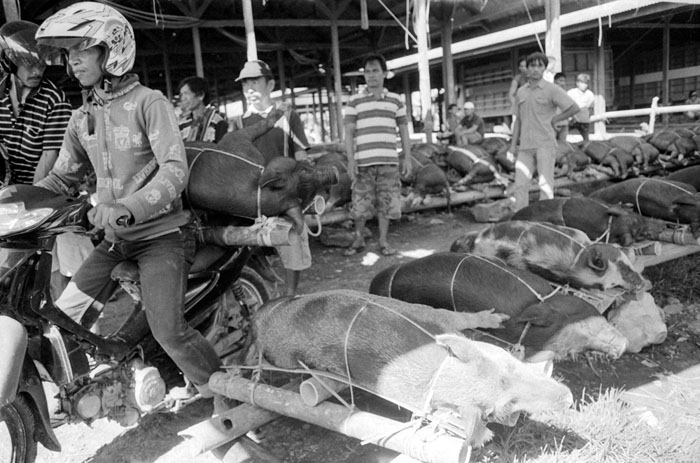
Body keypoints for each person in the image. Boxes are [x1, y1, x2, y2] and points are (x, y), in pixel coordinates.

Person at [35, 2, 220, 399]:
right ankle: (117, 376)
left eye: (82, 48)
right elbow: (61, 175)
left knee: (169, 330)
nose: (73, 60)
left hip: (162, 236)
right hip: (116, 241)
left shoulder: (149, 103)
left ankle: (222, 387)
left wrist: (126, 208)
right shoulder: (81, 117)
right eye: (69, 52)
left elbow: (175, 170)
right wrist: (20, 204)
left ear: (111, 50)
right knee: (64, 317)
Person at [233, 60, 310, 296]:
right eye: (246, 85)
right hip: (252, 194)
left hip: (283, 193)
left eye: (255, 83)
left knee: (293, 238)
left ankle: (290, 295)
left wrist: (302, 187)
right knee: (242, 245)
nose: (250, 90)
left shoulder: (287, 116)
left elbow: (301, 156)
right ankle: (258, 290)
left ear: (271, 84)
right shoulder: (238, 123)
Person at [343, 54, 412, 257]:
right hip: (363, 162)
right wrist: (351, 160)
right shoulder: (354, 101)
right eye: (368, 71)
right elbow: (348, 133)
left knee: (387, 203)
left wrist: (406, 157)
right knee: (360, 203)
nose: (371, 75)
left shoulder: (396, 100)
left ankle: (383, 241)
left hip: (389, 162)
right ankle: (358, 238)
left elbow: (404, 131)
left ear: (384, 73)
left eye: (375, 71)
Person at [0, 20, 72, 185]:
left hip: (37, 192)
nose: (37, 72)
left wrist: (30, 203)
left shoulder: (55, 101)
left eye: (41, 65)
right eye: (31, 64)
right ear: (10, 61)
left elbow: (49, 156)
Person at [509, 52, 579, 211]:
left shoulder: (552, 89)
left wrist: (556, 119)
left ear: (544, 69)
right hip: (525, 147)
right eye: (532, 65)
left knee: (545, 185)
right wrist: (513, 146)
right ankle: (520, 218)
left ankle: (545, 219)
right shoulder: (521, 92)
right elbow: (518, 121)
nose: (535, 69)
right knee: (520, 185)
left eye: (539, 66)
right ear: (527, 68)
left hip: (545, 145)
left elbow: (573, 107)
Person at [177, 76, 228, 143]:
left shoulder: (217, 121)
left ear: (201, 95)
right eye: (181, 94)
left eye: (186, 93)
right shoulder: (182, 124)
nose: (183, 98)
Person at [567, 73, 595, 142]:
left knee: (586, 140)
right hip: (572, 119)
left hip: (583, 120)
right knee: (561, 134)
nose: (584, 85)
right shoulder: (571, 92)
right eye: (582, 83)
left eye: (586, 83)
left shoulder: (590, 94)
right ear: (577, 83)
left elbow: (589, 108)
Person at [553, 72, 569, 142]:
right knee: (552, 145)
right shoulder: (550, 92)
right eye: (560, 81)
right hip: (553, 123)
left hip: (564, 123)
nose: (562, 83)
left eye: (564, 81)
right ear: (555, 81)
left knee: (562, 145)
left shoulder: (565, 93)